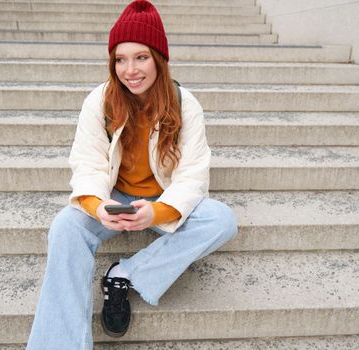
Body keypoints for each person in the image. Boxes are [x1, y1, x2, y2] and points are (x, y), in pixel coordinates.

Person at [26, 0, 238, 348]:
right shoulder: (100, 101)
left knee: (221, 219)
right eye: (120, 59)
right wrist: (98, 207)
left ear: (158, 58)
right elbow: (88, 164)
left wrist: (159, 211)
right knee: (65, 227)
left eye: (141, 57)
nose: (130, 70)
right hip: (116, 198)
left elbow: (192, 177)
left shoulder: (185, 104)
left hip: (163, 198)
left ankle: (124, 274)